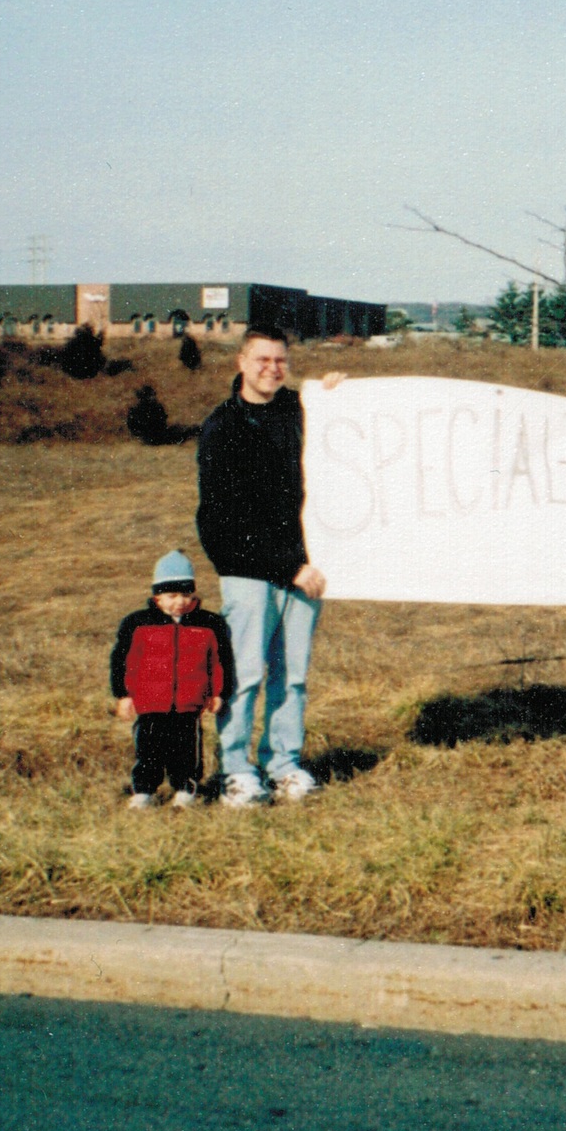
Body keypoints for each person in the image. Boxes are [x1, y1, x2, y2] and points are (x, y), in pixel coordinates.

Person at [195, 326, 336, 806]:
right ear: (240, 361)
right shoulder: (223, 426)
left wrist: (337, 395)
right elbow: (223, 519)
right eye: (262, 360)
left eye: (280, 361)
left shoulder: (300, 412)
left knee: (292, 675)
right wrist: (286, 566)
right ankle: (236, 770)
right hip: (249, 571)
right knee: (247, 674)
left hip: (303, 570)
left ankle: (284, 763)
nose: (272, 369)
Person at [108, 550, 237, 808]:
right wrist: (123, 695)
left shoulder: (209, 624)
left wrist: (218, 693)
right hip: (150, 703)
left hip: (189, 703)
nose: (180, 601)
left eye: (186, 594)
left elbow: (221, 661)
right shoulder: (137, 623)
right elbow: (122, 661)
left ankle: (186, 789)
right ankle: (144, 790)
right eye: (172, 595)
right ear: (157, 596)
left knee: (187, 750)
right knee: (149, 749)